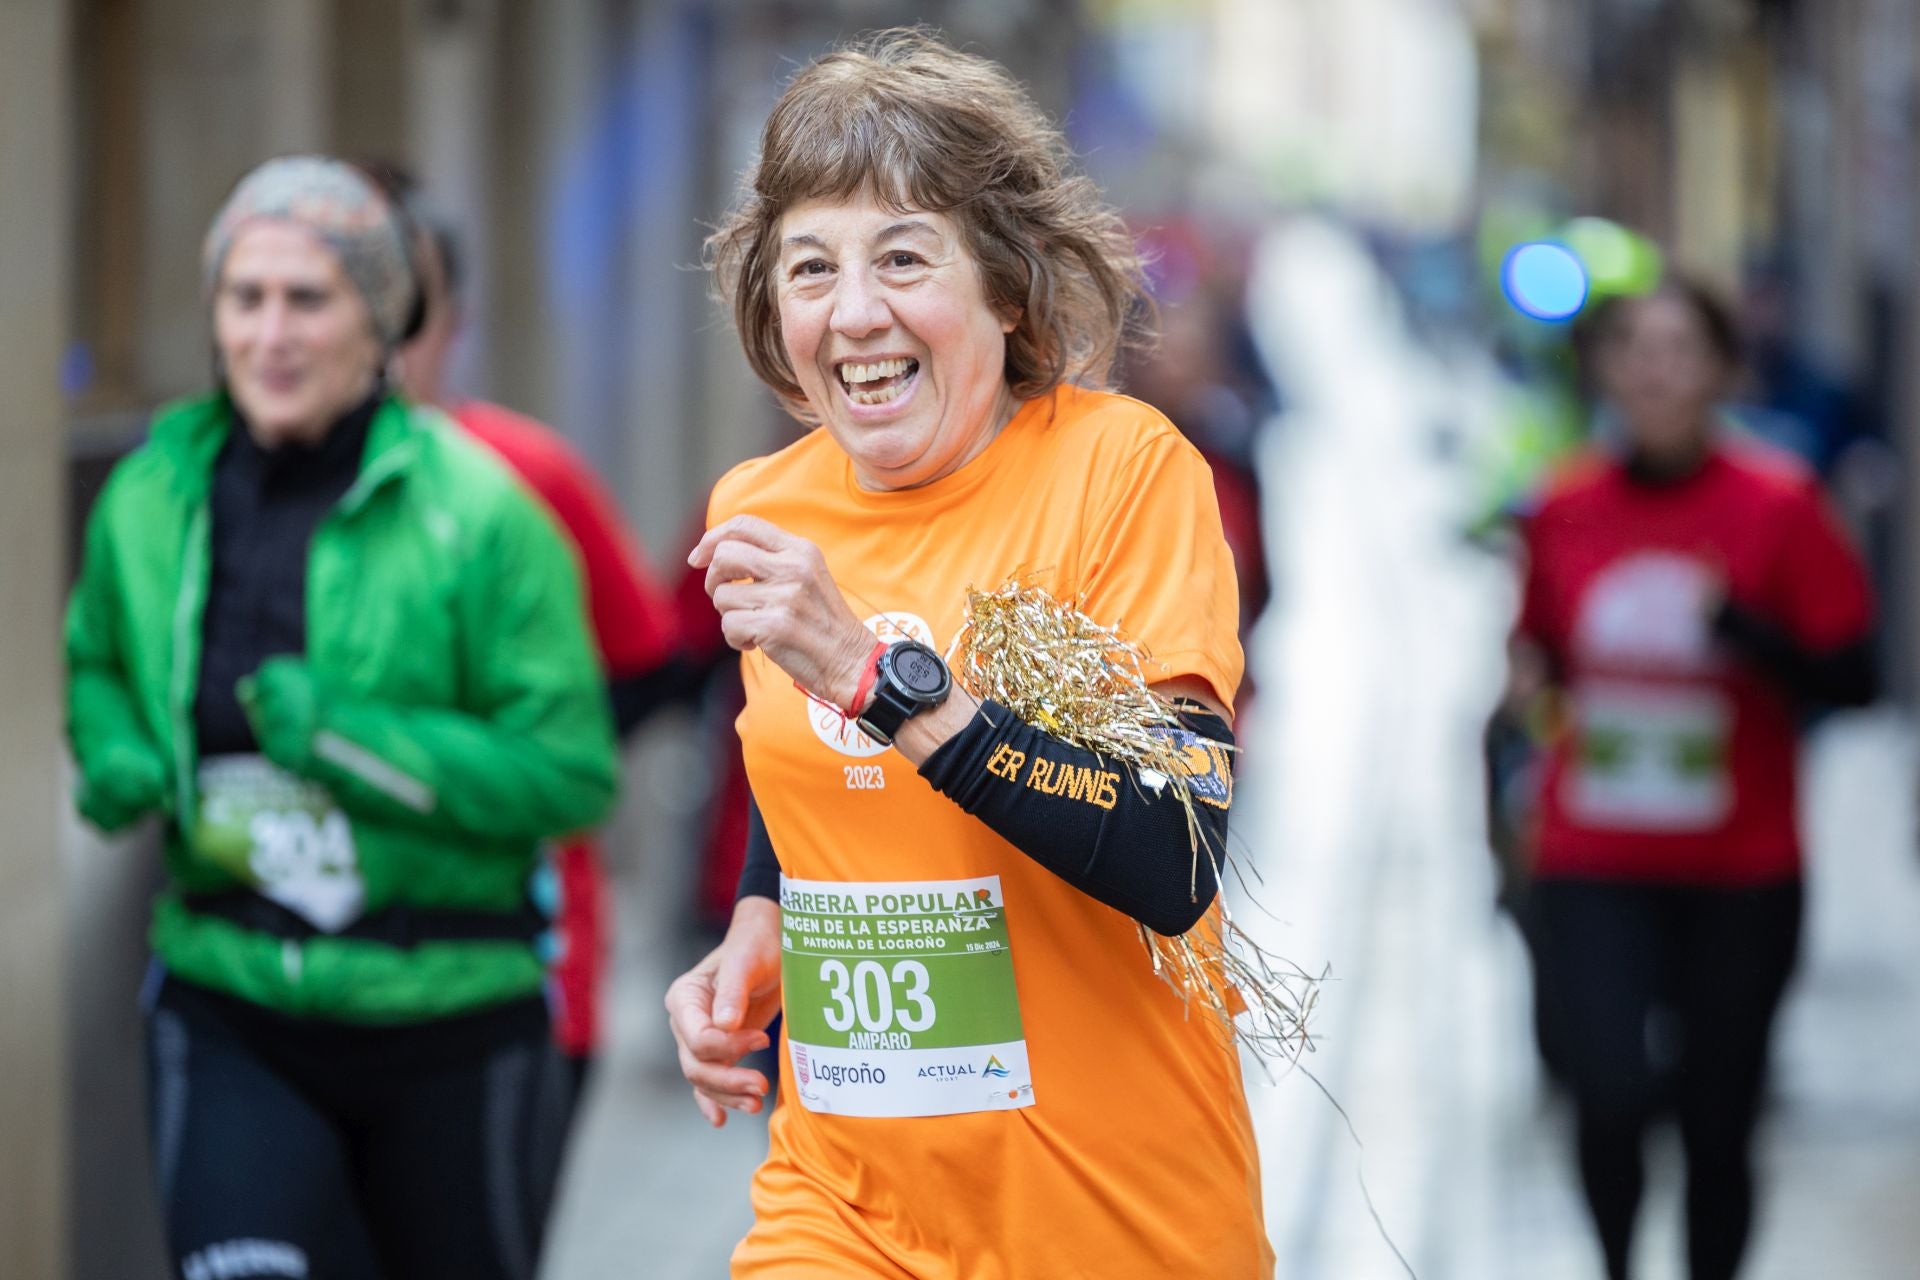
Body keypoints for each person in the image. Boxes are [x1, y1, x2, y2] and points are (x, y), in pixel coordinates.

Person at [663, 31, 1270, 1277]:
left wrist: (881, 677)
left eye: (902, 257)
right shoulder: (762, 505)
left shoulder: (1123, 472)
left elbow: (1178, 846)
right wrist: (756, 924)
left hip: (1113, 1226)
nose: (856, 312)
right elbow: (804, 779)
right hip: (844, 1208)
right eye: (811, 266)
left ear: (1003, 285)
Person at [65, 155, 617, 1280]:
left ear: (381, 323)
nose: (272, 333)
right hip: (233, 999)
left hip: (449, 1018)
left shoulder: (482, 512)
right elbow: (98, 662)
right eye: (245, 297)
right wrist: (116, 745)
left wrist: (350, 740)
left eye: (308, 299)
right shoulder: (149, 494)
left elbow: (570, 772)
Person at [1512, 278, 1876, 1280]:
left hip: (1742, 866)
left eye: (1680, 347)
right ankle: (1619, 1260)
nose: (1654, 366)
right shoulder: (1564, 505)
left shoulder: (1781, 502)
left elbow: (1856, 677)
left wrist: (1745, 631)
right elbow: (1540, 641)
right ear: (1606, 369)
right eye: (1633, 346)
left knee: (1719, 1121)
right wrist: (1529, 680)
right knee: (1610, 1089)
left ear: (1722, 369)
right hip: (1593, 853)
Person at [378, 164, 684, 1088]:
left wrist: (514, 770)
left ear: (452, 321)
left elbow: (651, 661)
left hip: (523, 953)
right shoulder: (222, 487)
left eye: (401, 305)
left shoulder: (525, 474)